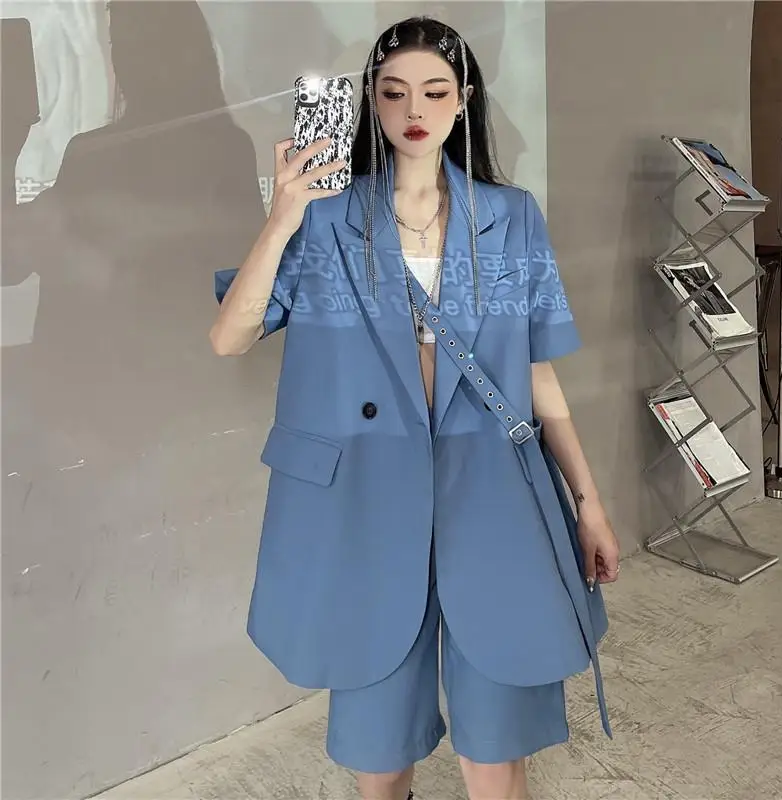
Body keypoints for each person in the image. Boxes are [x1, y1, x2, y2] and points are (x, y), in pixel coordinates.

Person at [210, 17, 620, 800]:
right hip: (365, 503)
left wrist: (588, 502)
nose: (414, 110)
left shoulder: (511, 216)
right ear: (371, 101)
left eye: (435, 91)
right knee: (379, 750)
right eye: (394, 92)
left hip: (493, 494)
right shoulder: (326, 218)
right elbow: (230, 337)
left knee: (497, 746)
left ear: (464, 101)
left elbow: (535, 372)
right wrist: (283, 213)